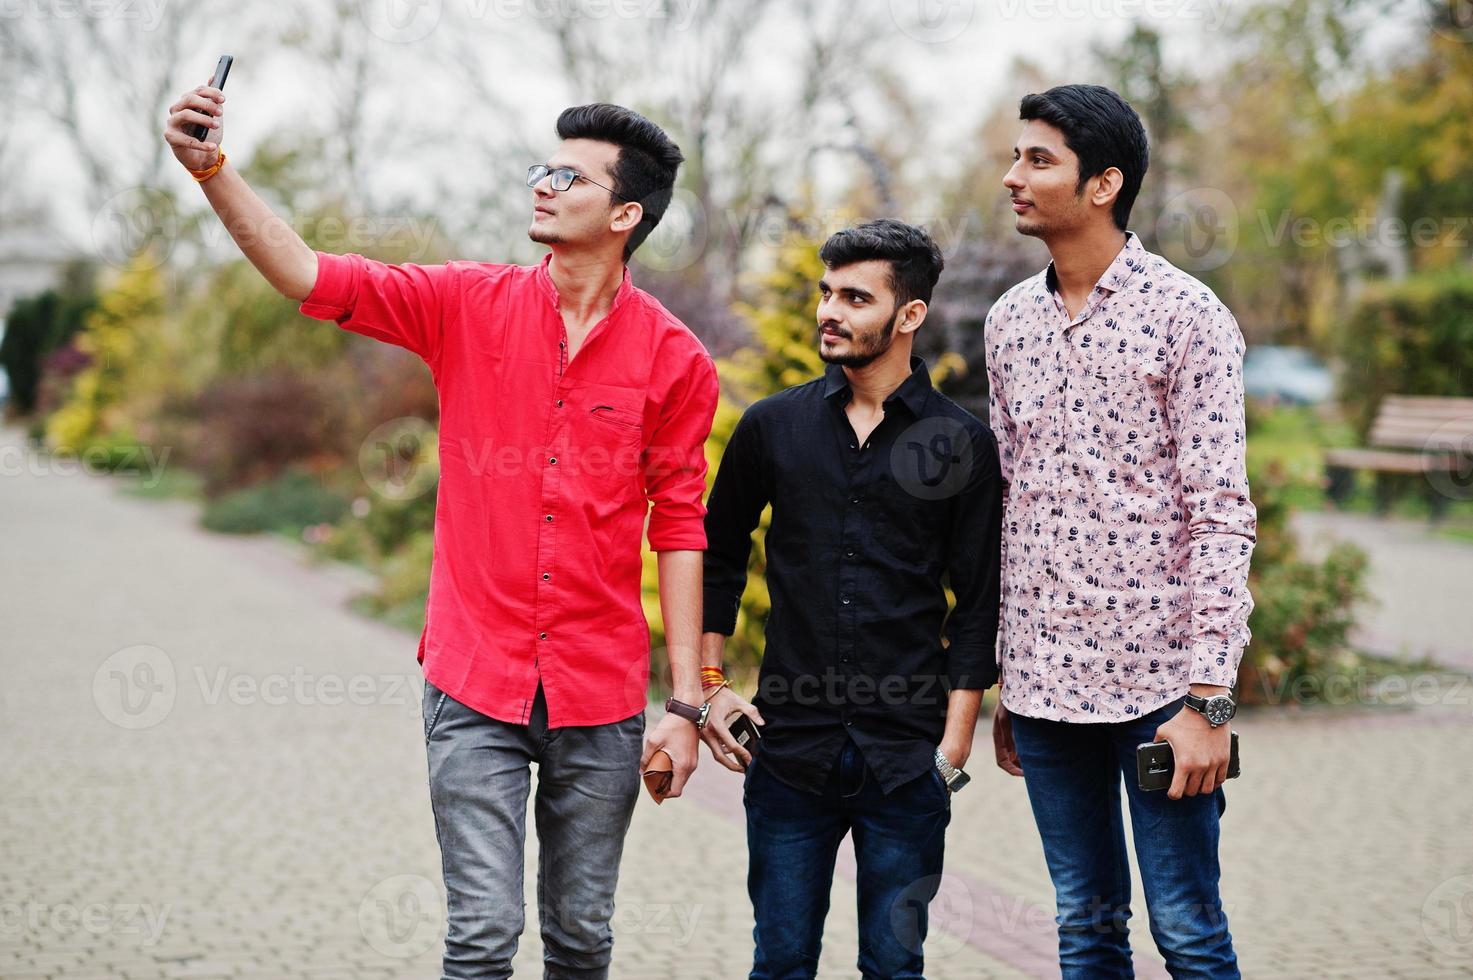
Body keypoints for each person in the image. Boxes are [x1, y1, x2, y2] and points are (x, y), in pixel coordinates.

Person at [164, 87, 719, 979]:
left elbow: (681, 528)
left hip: (600, 696)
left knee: (582, 941)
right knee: (480, 938)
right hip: (475, 686)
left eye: (567, 177)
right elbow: (308, 273)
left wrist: (687, 705)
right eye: (542, 168)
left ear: (624, 214)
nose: (541, 186)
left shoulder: (675, 359)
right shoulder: (464, 303)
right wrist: (212, 173)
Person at [985, 83, 1256, 978]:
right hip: (1043, 682)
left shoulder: (1188, 317)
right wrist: (1004, 673)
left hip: (1159, 685)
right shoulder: (1009, 322)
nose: (1011, 177)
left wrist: (1208, 699)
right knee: (1085, 928)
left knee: (1185, 929)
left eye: (1036, 159)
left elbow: (1221, 511)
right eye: (1016, 156)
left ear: (1102, 185)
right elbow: (1010, 498)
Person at [699, 219, 1004, 979]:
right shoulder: (773, 427)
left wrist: (954, 747)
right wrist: (707, 686)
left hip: (906, 760)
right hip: (787, 753)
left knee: (895, 970)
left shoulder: (960, 444)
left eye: (855, 297)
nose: (829, 311)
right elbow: (717, 554)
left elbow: (979, 601)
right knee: (779, 966)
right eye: (826, 292)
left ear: (909, 316)